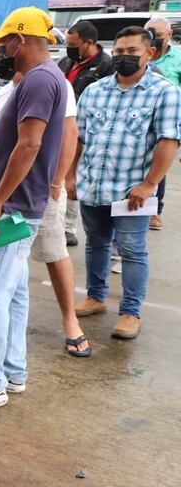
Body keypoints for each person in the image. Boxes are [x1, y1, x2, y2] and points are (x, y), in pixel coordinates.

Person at [0, 8, 68, 415]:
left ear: (22, 40)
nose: (0, 49)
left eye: (5, 42)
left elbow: (29, 145)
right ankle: (10, 370)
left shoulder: (39, 80)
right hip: (16, 201)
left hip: (15, 208)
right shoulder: (41, 78)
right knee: (13, 291)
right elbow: (9, 140)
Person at [73, 26, 181, 342]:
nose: (123, 57)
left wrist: (149, 185)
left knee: (132, 250)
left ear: (150, 53)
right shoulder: (95, 90)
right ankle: (96, 296)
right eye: (119, 51)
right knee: (95, 244)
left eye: (132, 52)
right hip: (94, 184)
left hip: (133, 192)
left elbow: (168, 142)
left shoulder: (165, 92)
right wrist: (69, 175)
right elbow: (78, 138)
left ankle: (130, 312)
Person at [0, 69, 89, 358]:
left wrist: (58, 180)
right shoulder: (3, 92)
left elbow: (70, 133)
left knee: (53, 251)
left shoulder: (53, 84)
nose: (3, 54)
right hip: (3, 188)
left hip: (40, 188)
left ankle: (70, 319)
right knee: (3, 254)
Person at [59, 20, 115, 245]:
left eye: (73, 44)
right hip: (60, 127)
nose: (69, 48)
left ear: (89, 43)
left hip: (86, 133)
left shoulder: (106, 67)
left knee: (73, 179)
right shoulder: (66, 62)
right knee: (59, 176)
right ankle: (58, 223)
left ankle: (68, 228)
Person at [146, 17, 179, 230]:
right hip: (141, 116)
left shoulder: (178, 58)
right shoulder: (139, 53)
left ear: (169, 36)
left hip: (169, 118)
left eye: (158, 35)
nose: (154, 38)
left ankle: (155, 210)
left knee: (160, 165)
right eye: (149, 33)